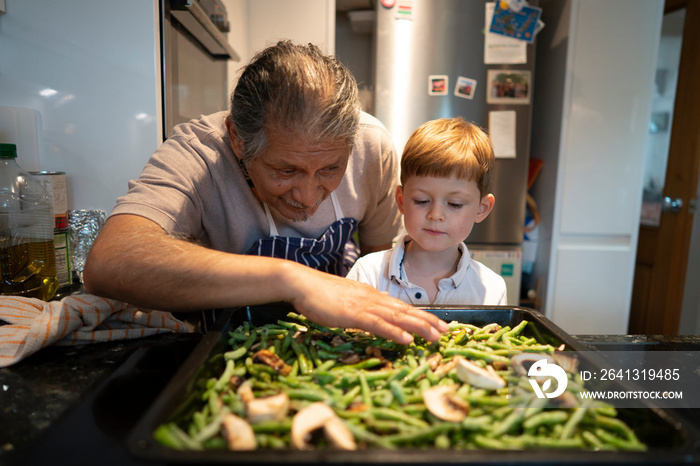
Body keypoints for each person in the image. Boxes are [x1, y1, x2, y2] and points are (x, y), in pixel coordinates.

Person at [82, 41, 448, 344]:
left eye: (329, 170)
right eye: (285, 171)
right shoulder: (198, 154)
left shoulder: (372, 147)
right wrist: (292, 280)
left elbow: (380, 258)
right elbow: (109, 261)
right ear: (238, 140)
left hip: (332, 346)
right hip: (220, 345)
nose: (307, 197)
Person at [346, 117, 507, 306]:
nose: (435, 214)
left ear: (482, 209)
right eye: (421, 201)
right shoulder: (367, 274)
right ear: (401, 201)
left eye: (455, 204)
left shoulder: (491, 289)